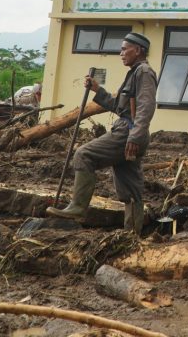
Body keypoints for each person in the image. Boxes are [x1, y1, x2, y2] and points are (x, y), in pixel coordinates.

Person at [48, 32, 157, 233]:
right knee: (131, 190)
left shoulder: (143, 72)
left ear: (138, 50)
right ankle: (131, 236)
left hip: (128, 133)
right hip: (131, 132)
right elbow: (119, 106)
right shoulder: (135, 72)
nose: (121, 53)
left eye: (125, 49)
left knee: (84, 155)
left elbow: (146, 106)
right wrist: (98, 90)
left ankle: (78, 208)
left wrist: (135, 135)